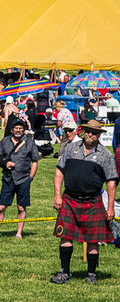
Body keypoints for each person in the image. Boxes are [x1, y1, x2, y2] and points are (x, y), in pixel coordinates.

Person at [50, 119, 118, 284]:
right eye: (88, 131)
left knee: (93, 240)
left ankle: (91, 275)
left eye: (94, 133)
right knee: (65, 236)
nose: (90, 135)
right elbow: (59, 172)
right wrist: (57, 195)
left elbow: (111, 182)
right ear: (83, 131)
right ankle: (64, 272)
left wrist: (110, 207)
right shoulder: (72, 148)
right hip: (69, 198)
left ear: (99, 135)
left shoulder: (105, 155)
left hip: (92, 200)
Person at [0, 118, 40, 239]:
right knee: (1, 207)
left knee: (21, 207)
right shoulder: (5, 141)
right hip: (8, 178)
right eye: (16, 128)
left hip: (23, 178)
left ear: (23, 130)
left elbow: (35, 161)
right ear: (12, 130)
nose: (18, 130)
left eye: (20, 128)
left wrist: (30, 178)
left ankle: (19, 233)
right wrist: (6, 163)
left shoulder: (29, 142)